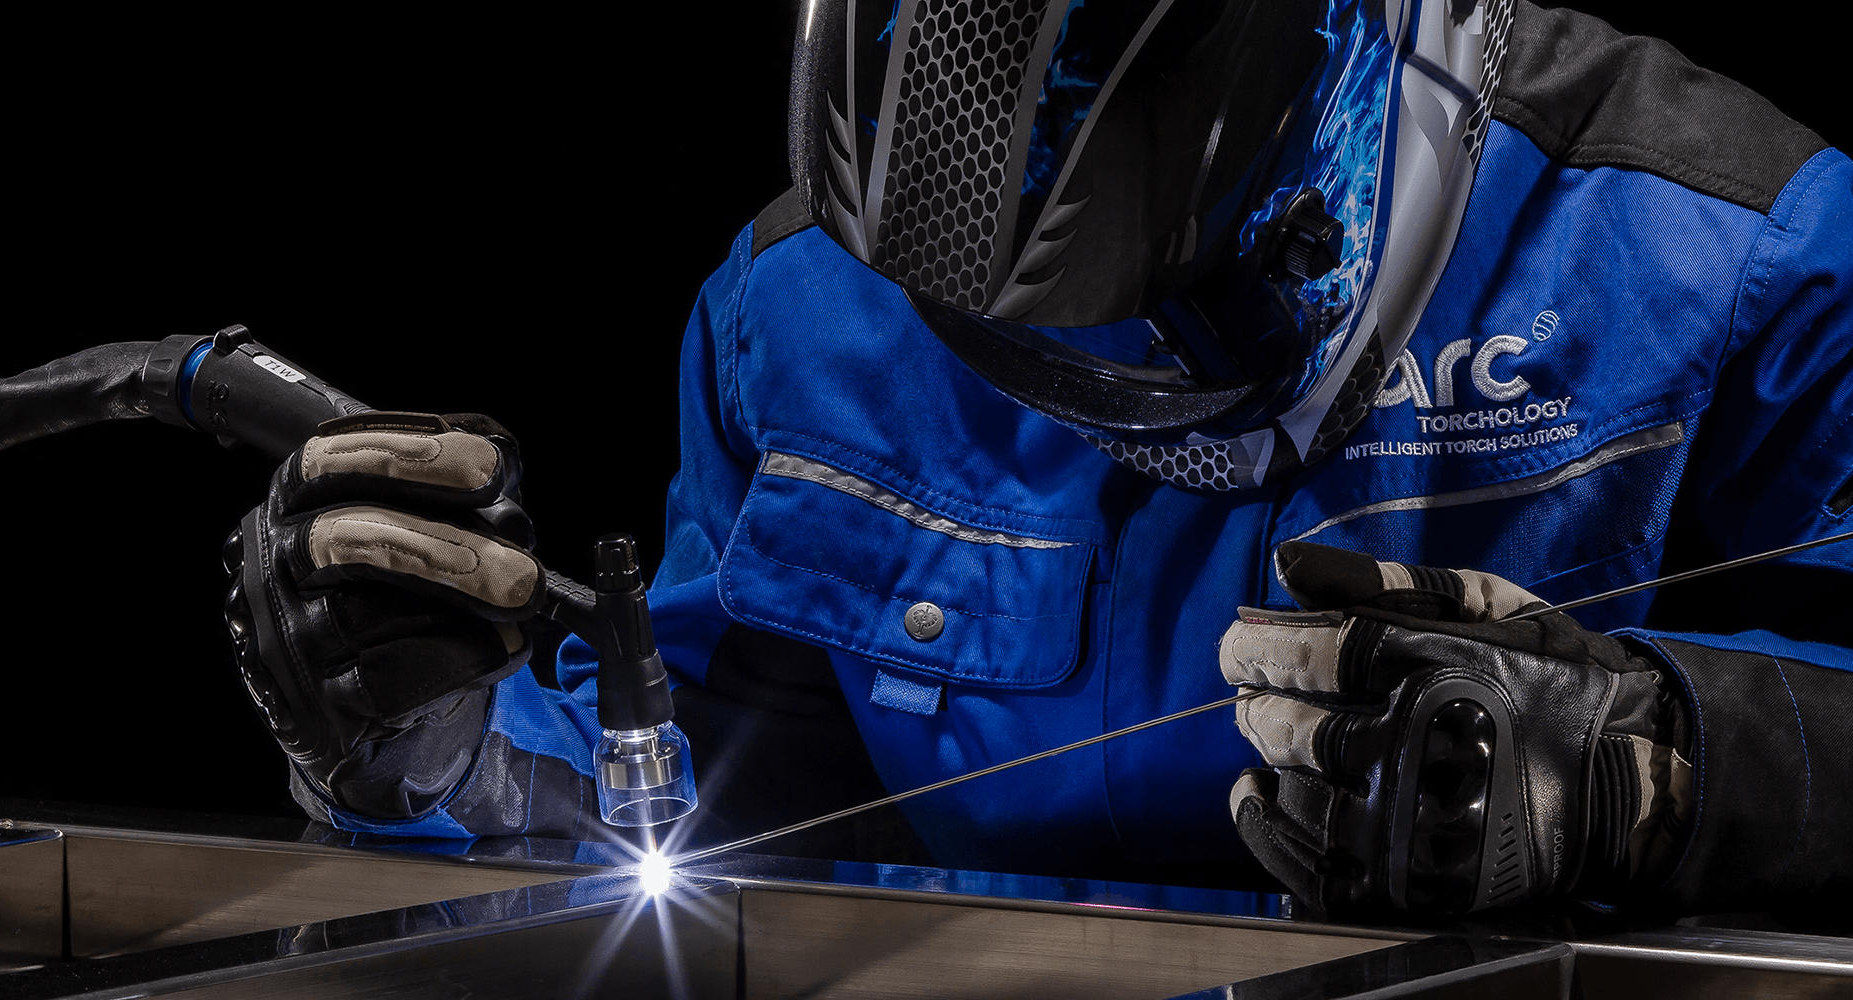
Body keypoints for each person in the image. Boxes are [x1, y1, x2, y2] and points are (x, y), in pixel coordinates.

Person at [223, 0, 1849, 918]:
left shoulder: (1733, 252)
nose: (1104, 398)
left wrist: (1663, 771)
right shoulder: (804, 318)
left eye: (1164, 322)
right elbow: (717, 799)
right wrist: (440, 757)